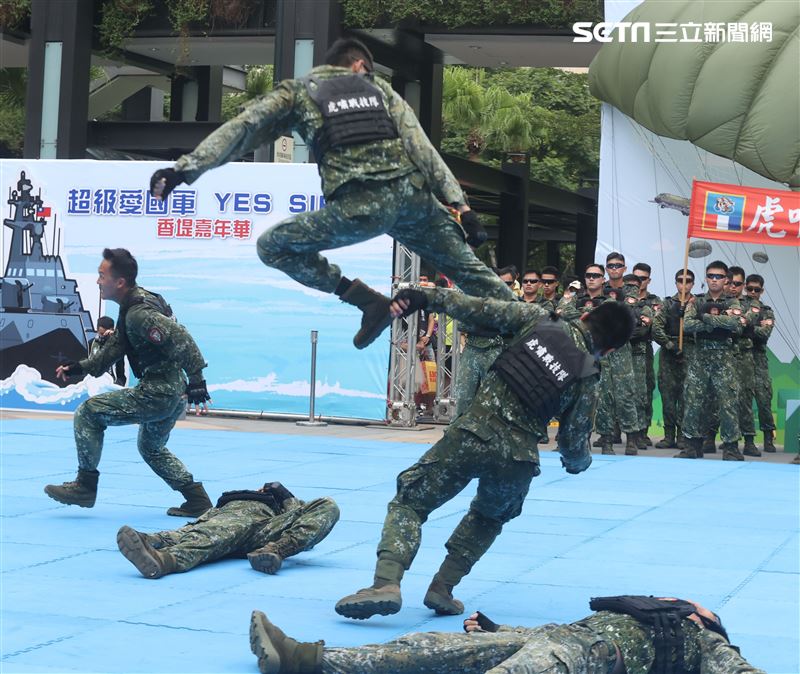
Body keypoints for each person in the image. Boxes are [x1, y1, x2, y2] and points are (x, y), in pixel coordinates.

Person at [148, 37, 513, 349]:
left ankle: (365, 300)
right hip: (414, 201)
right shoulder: (381, 91)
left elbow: (242, 130)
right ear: (358, 66)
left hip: (359, 209)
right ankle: (544, 332)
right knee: (473, 273)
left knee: (272, 246)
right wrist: (461, 206)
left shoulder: (299, 91)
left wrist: (184, 170)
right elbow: (422, 148)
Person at [334, 286, 634, 620]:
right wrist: (578, 464)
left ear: (587, 315)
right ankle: (443, 588)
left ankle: (386, 583)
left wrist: (426, 298)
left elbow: (476, 307)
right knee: (488, 518)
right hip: (518, 459)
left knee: (410, 502)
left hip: (471, 434)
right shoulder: (588, 375)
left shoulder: (541, 320)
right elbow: (574, 444)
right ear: (609, 349)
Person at [44, 248, 213, 517]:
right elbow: (113, 350)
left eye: (102, 275)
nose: (98, 281)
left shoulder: (138, 314)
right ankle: (197, 500)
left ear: (119, 282)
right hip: (172, 392)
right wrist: (78, 368)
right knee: (151, 448)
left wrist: (198, 381)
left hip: (157, 392)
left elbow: (181, 337)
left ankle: (85, 486)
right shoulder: (134, 305)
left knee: (88, 413)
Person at [249, 595, 765, 673]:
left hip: (588, 656)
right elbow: (550, 632)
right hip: (561, 637)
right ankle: (309, 659)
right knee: (429, 649)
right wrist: (497, 629)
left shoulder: (702, 640)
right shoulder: (636, 610)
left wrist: (711, 634)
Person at [116, 482, 339, 579]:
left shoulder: (285, 504)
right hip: (220, 519)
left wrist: (284, 495)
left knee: (328, 504)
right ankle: (152, 541)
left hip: (263, 530)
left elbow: (306, 527)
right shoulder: (232, 499)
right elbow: (208, 518)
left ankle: (167, 561)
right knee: (199, 532)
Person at [562, 263, 641, 456]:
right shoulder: (577, 298)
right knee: (600, 398)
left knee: (625, 396)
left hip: (616, 354)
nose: (591, 279)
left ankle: (632, 437)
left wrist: (584, 315)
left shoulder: (611, 300)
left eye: (596, 276)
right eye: (588, 275)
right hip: (588, 353)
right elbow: (562, 312)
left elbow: (610, 317)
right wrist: (571, 295)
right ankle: (605, 440)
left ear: (603, 279)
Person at [677, 260, 742, 461]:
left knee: (728, 402)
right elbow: (687, 325)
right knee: (694, 401)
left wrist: (705, 319)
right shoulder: (695, 301)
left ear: (726, 280)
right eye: (711, 276)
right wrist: (716, 325)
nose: (714, 280)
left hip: (724, 358)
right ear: (706, 278)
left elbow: (734, 323)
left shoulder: (732, 302)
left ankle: (730, 447)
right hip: (699, 357)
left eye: (719, 276)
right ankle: (691, 445)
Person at [651, 269, 696, 450]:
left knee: (687, 397)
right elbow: (656, 328)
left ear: (692, 283)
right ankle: (669, 436)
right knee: (668, 397)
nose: (684, 284)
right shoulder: (667, 304)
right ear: (675, 282)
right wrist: (670, 346)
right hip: (670, 354)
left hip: (690, 352)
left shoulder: (697, 304)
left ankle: (683, 436)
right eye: (680, 280)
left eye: (688, 281)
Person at [745, 275, 777, 452]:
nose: (752, 293)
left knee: (764, 400)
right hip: (741, 358)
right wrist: (752, 327)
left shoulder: (767, 311)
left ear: (762, 291)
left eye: (756, 289)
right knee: (742, 401)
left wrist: (747, 327)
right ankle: (748, 440)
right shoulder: (739, 307)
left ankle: (768, 438)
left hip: (759, 360)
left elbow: (764, 333)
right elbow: (736, 329)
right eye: (749, 289)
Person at [632, 262, 662, 445]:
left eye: (642, 278)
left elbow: (655, 326)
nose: (638, 282)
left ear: (648, 280)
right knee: (625, 391)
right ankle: (624, 431)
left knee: (645, 390)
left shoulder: (655, 301)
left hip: (644, 349)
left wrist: (643, 328)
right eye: (636, 278)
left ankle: (642, 432)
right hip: (625, 349)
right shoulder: (623, 298)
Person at [88, 315, 126, 386]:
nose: (104, 337)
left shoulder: (118, 347)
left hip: (111, 386)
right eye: (101, 334)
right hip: (93, 386)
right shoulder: (90, 344)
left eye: (106, 334)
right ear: (97, 330)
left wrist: (116, 387)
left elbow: (121, 376)